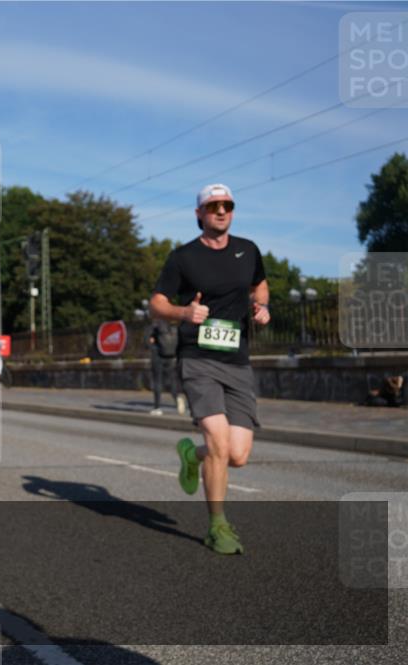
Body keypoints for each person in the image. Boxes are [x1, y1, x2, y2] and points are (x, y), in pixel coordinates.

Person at [150, 184, 271, 555]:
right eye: (213, 206)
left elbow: (260, 285)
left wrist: (262, 307)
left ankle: (192, 455)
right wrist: (184, 312)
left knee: (238, 455)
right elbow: (157, 303)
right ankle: (217, 526)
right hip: (198, 358)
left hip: (237, 360)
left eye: (227, 205)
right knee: (218, 441)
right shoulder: (183, 257)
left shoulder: (248, 250)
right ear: (199, 213)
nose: (221, 211)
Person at [147, 318, 185, 416]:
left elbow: (150, 340)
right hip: (172, 357)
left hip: (158, 356)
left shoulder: (156, 324)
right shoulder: (175, 324)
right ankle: (177, 398)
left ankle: (157, 407)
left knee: (157, 381)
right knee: (171, 381)